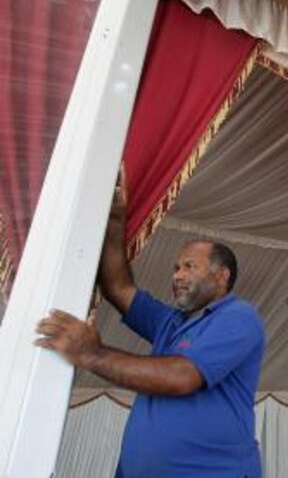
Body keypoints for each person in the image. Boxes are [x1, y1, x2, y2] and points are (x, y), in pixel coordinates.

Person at [35, 175, 265, 477]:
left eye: (189, 267)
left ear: (222, 276)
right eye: (176, 268)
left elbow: (182, 376)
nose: (177, 276)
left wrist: (92, 354)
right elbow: (119, 288)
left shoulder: (239, 316)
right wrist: (116, 222)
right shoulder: (171, 322)